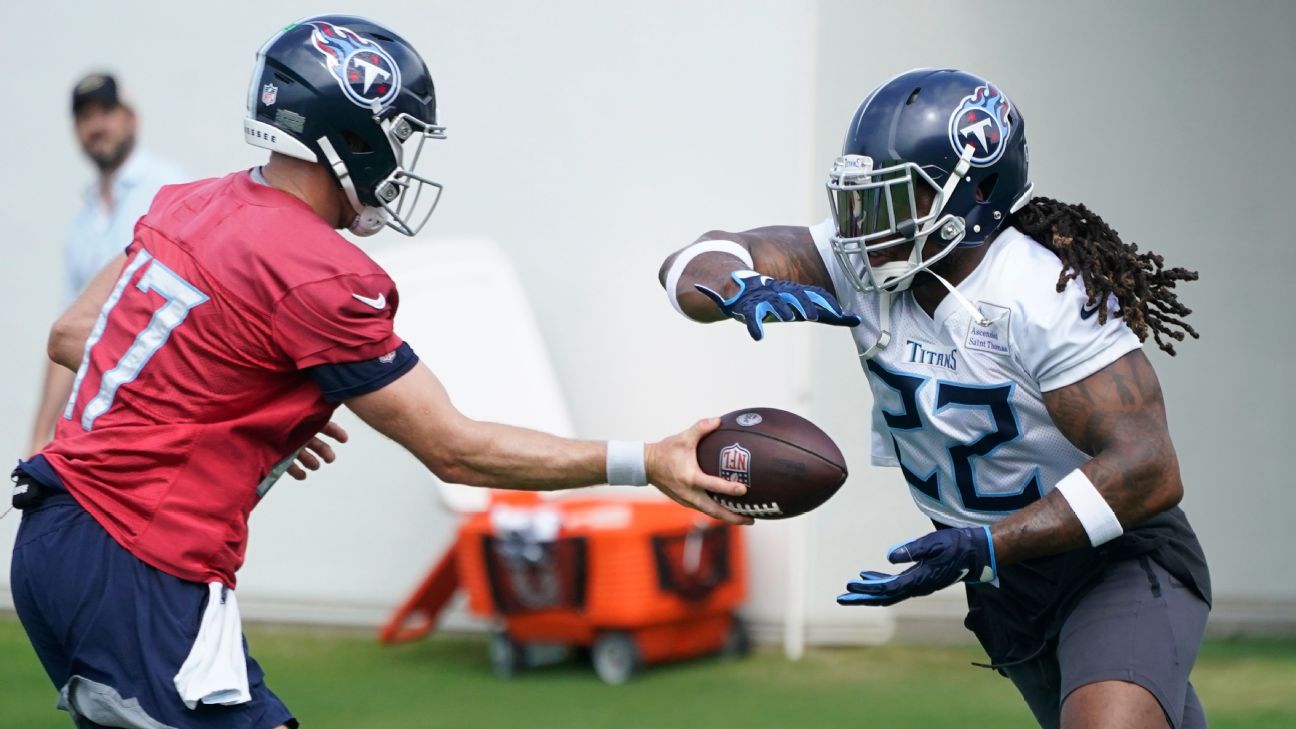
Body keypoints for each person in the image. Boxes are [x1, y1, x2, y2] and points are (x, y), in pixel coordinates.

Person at [10, 15, 750, 729]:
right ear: (350, 132)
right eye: (399, 137)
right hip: (138, 560)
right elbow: (453, 448)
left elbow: (75, 332)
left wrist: (234, 394)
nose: (402, 162)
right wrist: (645, 461)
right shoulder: (318, 271)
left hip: (50, 539)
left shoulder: (188, 202)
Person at [659, 68, 1210, 729]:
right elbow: (691, 263)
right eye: (861, 197)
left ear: (975, 193)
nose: (866, 225)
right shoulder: (861, 262)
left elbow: (1148, 466)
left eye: (895, 199)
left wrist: (987, 543)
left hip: (1110, 558)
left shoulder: (1043, 297)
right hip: (1006, 581)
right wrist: (737, 289)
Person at [26, 73, 188, 456]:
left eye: (106, 112)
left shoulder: (167, 187)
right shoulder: (82, 222)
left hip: (165, 400)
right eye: (85, 117)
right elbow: (67, 332)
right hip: (106, 412)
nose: (96, 126)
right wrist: (39, 437)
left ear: (131, 118)